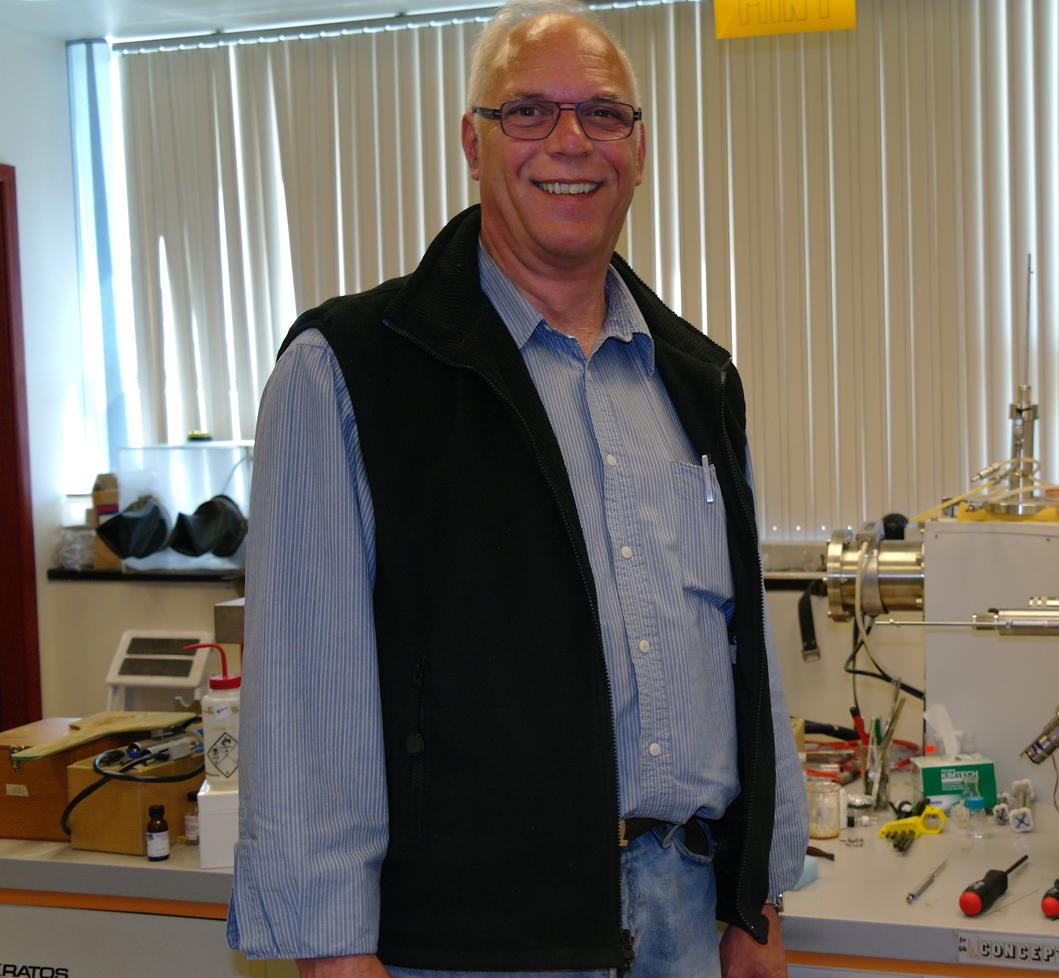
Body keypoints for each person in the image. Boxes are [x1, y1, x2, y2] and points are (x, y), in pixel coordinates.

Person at [227, 3, 808, 976]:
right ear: (474, 142)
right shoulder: (350, 372)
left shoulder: (696, 380)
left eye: (603, 113)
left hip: (681, 911)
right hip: (470, 942)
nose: (570, 142)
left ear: (639, 149)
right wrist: (331, 955)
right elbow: (304, 699)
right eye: (530, 111)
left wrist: (758, 898)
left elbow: (745, 660)